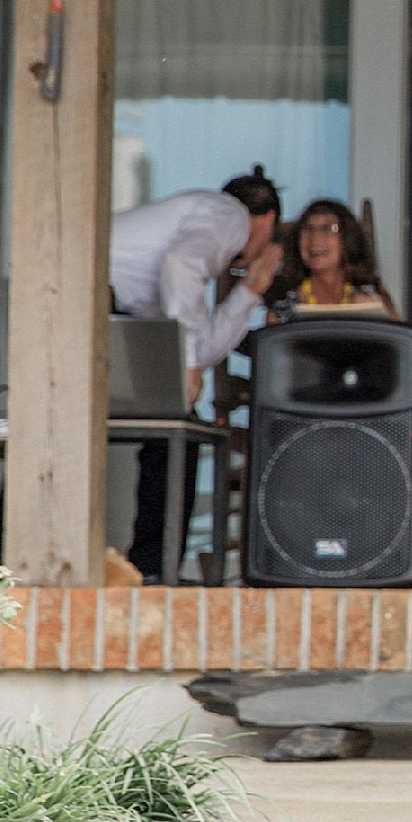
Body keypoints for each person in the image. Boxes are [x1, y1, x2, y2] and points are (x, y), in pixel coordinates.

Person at [108, 169, 283, 580]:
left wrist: (251, 290)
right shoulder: (230, 214)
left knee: (171, 429)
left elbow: (201, 348)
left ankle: (149, 569)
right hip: (86, 288)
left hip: (103, 299)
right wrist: (184, 364)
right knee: (173, 431)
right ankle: (154, 567)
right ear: (268, 222)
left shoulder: (197, 224)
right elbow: (182, 262)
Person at [274, 198, 399, 317]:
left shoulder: (371, 294)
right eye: (308, 229)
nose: (315, 238)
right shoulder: (284, 304)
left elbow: (400, 335)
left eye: (328, 228)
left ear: (348, 239)